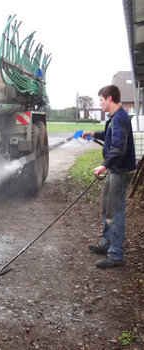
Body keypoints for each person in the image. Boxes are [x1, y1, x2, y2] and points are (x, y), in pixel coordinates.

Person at [81, 84, 136, 268]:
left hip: (120, 171)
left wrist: (104, 165)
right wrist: (91, 133)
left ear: (109, 98)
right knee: (106, 208)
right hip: (115, 170)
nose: (100, 103)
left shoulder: (120, 118)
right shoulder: (115, 118)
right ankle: (106, 244)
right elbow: (108, 135)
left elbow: (119, 147)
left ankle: (116, 255)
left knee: (115, 212)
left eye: (101, 99)